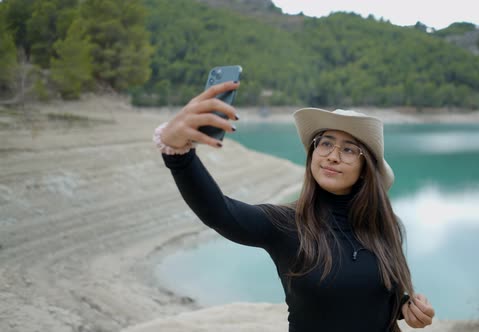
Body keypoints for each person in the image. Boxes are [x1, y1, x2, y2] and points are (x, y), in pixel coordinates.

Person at [153, 81, 435, 332]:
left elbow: (377, 297)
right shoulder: (286, 224)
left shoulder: (385, 224)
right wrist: (179, 155)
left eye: (349, 149)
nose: (332, 156)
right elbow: (220, 213)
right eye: (325, 144)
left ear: (365, 168)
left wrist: (406, 309)